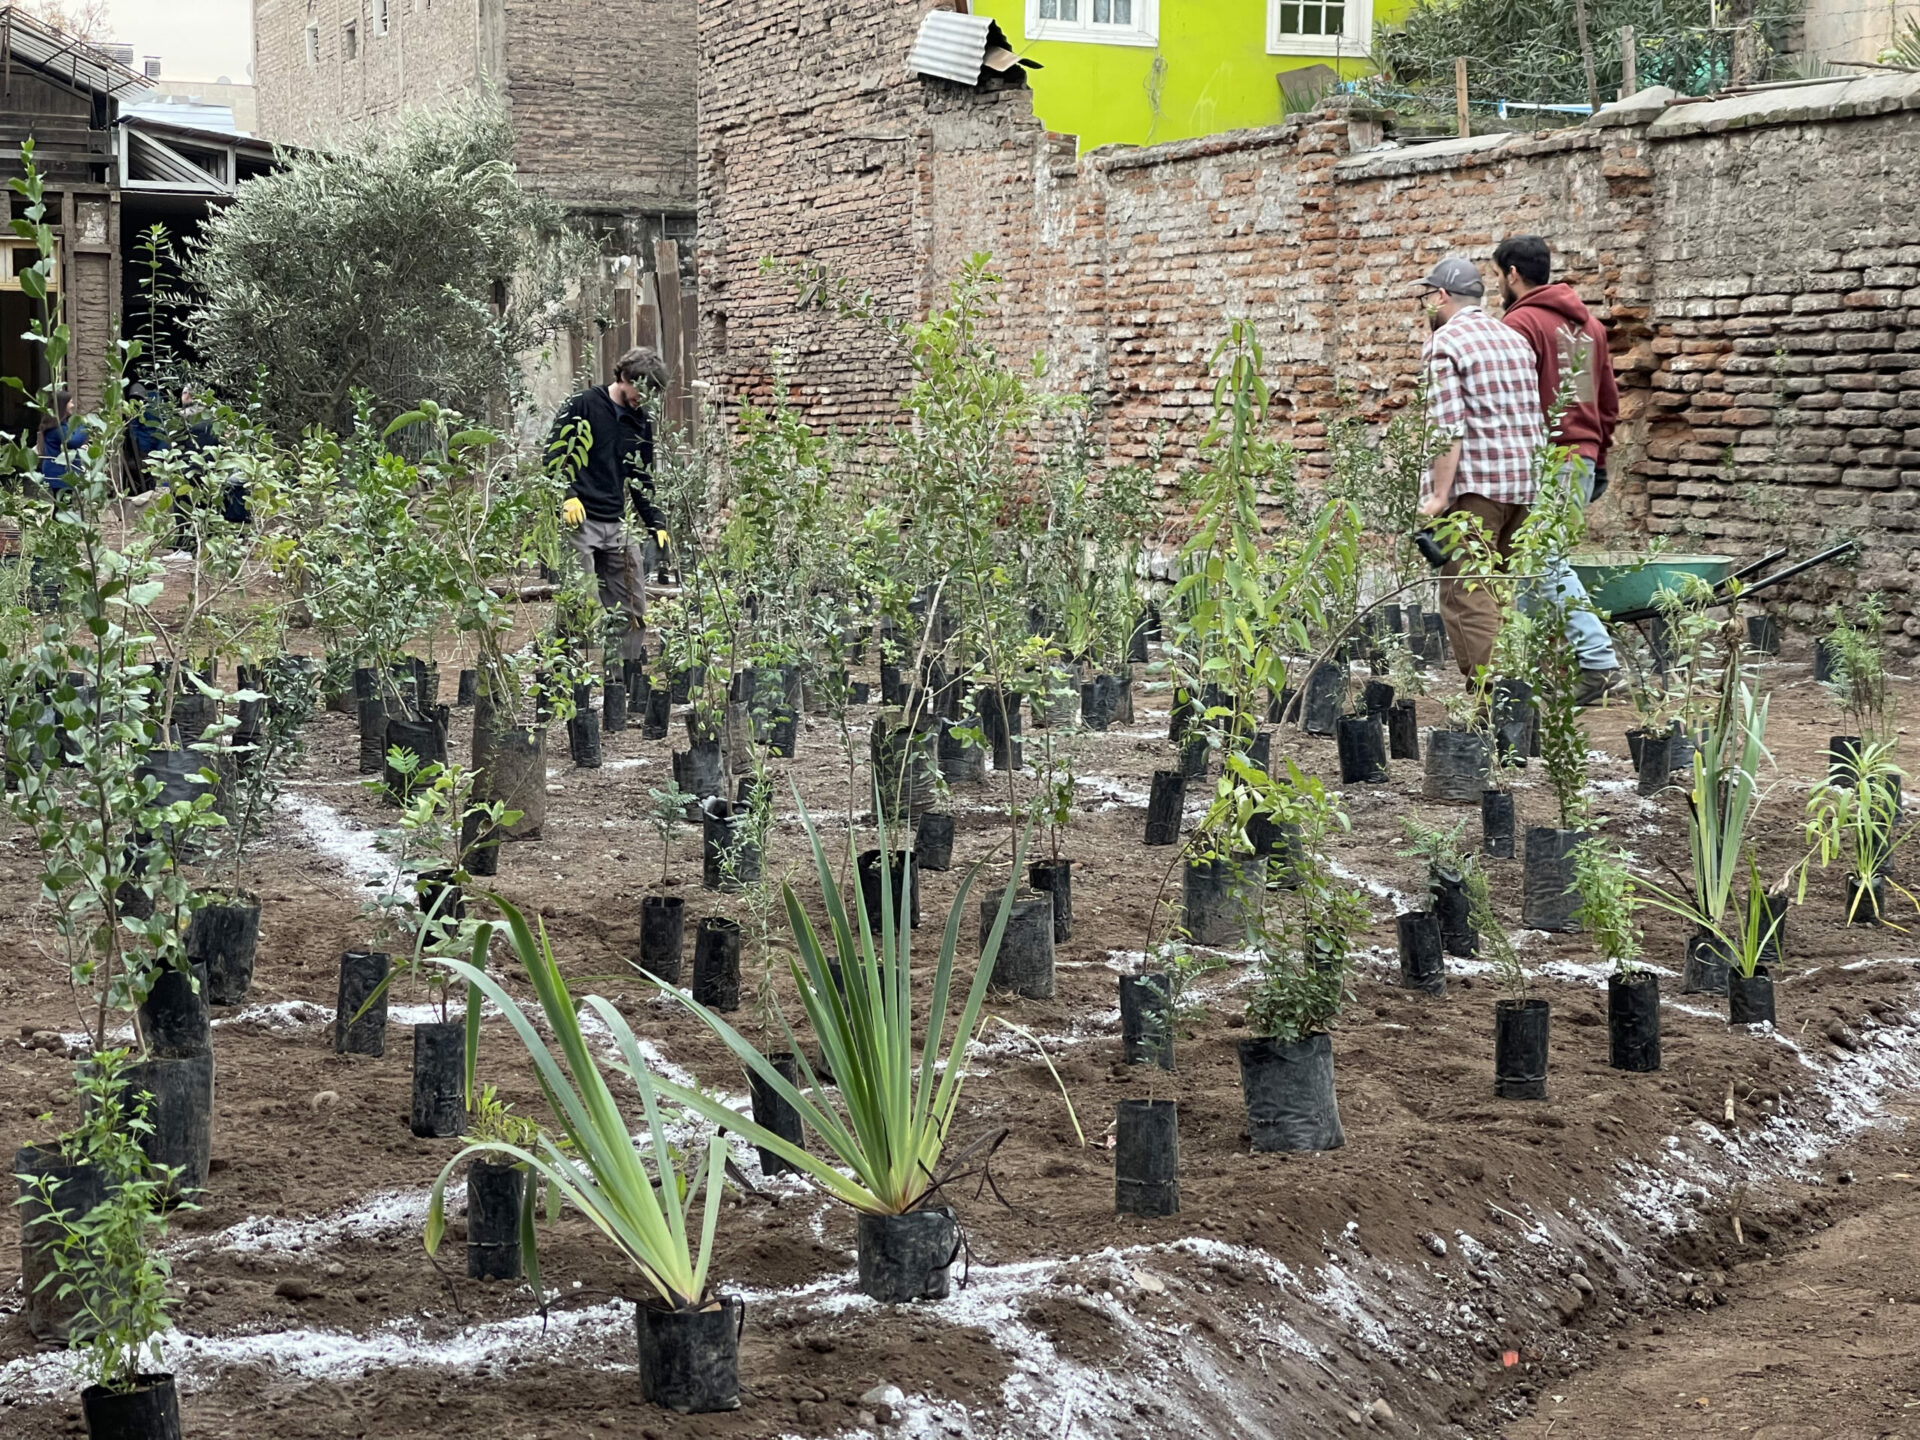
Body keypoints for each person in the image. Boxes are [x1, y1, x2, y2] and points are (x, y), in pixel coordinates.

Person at [1493, 235, 1622, 704]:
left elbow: (1513, 400)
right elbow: (1606, 402)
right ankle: (1527, 667)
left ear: (1512, 274)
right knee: (1533, 565)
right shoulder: (1590, 326)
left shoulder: (1521, 323)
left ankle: (1598, 661)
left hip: (1547, 456)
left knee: (1541, 559)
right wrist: (1599, 458)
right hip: (1582, 455)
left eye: (1499, 277)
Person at [1415, 257, 1544, 682]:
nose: (1424, 309)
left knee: (1467, 596)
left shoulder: (1445, 343)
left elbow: (1447, 427)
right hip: (1523, 488)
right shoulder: (1513, 338)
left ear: (1441, 296)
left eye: (1425, 298)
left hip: (1477, 491)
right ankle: (1520, 701)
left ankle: (1492, 706)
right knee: (1500, 592)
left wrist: (1437, 496)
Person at [547, 347, 670, 663]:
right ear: (625, 377)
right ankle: (567, 676)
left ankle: (622, 676)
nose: (642, 400)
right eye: (640, 391)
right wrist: (567, 495)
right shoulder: (583, 405)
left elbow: (642, 479)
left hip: (616, 523)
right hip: (580, 519)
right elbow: (552, 456)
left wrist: (656, 522)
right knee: (579, 602)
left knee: (633, 603)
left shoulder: (641, 422)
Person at [37, 389, 85, 493]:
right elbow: (74, 441)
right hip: (59, 474)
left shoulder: (60, 425)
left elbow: (67, 445)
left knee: (63, 504)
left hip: (60, 473)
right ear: (63, 405)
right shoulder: (56, 428)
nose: (73, 405)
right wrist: (84, 426)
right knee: (63, 506)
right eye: (70, 402)